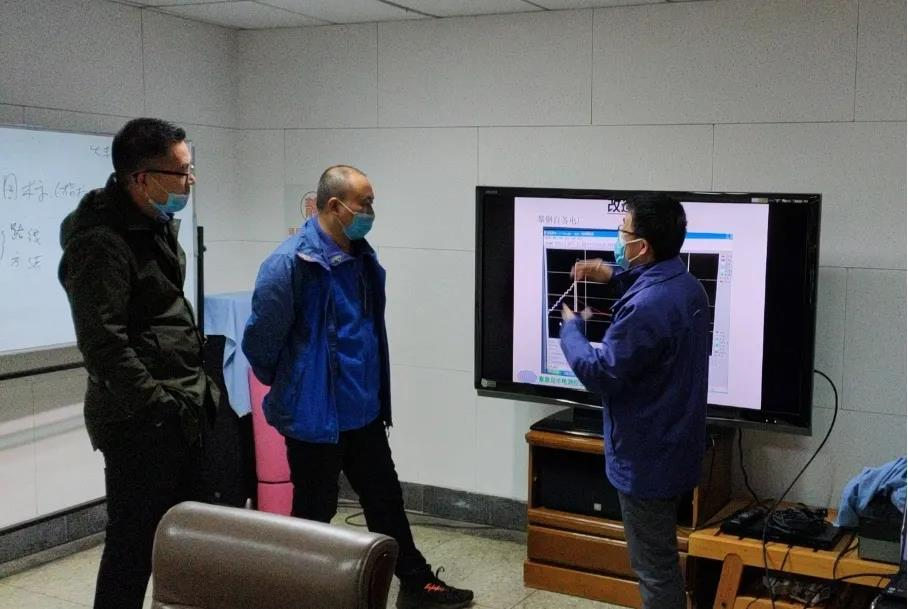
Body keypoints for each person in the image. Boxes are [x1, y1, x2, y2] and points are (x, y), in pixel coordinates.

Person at [243, 165, 474, 609]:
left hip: (363, 411)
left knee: (385, 501)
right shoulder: (289, 264)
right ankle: (297, 596)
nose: (370, 212)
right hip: (314, 417)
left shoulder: (363, 258)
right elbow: (260, 343)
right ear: (334, 206)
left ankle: (416, 583)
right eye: (364, 203)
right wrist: (297, 387)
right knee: (313, 514)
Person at [58, 118, 216, 609]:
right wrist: (157, 409)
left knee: (190, 541)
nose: (190, 181)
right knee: (132, 548)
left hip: (181, 405)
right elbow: (103, 344)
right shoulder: (100, 242)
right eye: (181, 173)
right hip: (140, 421)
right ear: (142, 179)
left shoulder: (155, 224)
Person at [559, 193, 709, 609]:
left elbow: (600, 373)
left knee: (655, 571)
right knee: (661, 557)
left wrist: (570, 331)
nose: (618, 237)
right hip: (677, 446)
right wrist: (613, 276)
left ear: (641, 246)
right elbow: (654, 300)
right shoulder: (688, 287)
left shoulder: (645, 308)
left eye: (622, 230)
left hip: (646, 458)